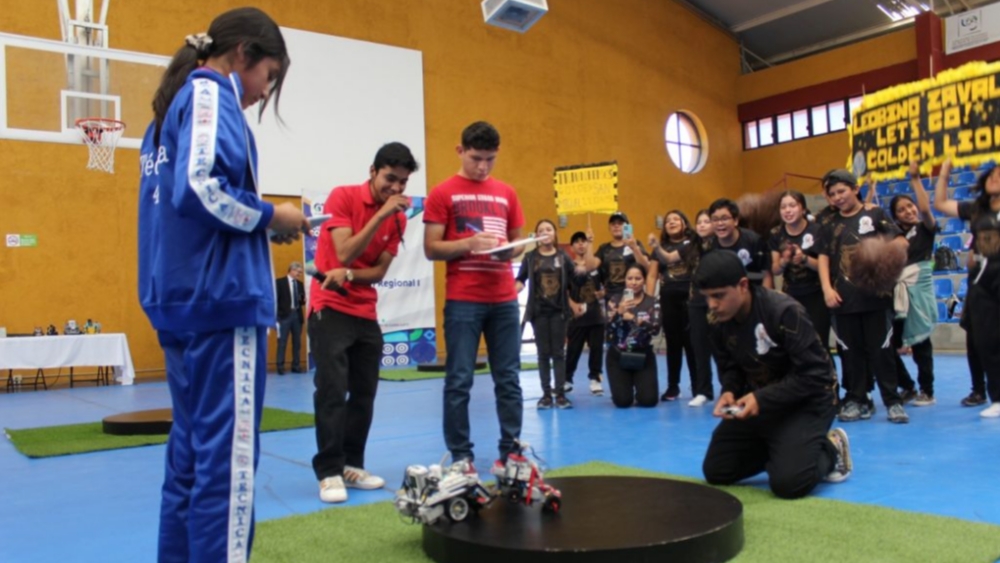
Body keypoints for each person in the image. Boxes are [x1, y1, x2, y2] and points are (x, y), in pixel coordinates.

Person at [137, 8, 307, 562]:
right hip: (221, 307)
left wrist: (260, 228)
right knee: (226, 470)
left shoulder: (167, 111)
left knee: (188, 463)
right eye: (268, 77)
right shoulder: (210, 94)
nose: (264, 92)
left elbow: (188, 207)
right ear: (243, 56)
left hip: (181, 303)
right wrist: (271, 216)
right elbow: (199, 188)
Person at [696, 251, 851, 500]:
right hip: (762, 401)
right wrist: (729, 391)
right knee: (717, 470)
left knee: (789, 484)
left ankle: (831, 447)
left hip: (809, 400)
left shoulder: (783, 311)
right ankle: (788, 449)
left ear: (743, 285)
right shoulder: (716, 320)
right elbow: (731, 367)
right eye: (707, 297)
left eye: (719, 296)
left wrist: (761, 399)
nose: (712, 304)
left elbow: (816, 375)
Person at [309, 142, 416, 503]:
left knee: (364, 394)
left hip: (365, 312)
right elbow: (344, 252)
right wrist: (381, 215)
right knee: (331, 390)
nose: (396, 189)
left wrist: (352, 276)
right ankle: (328, 471)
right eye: (390, 179)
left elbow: (379, 271)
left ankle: (352, 464)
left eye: (402, 182)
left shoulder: (400, 218)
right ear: (373, 171)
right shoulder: (343, 197)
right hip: (329, 306)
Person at [424, 121, 526, 467]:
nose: (483, 166)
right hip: (463, 299)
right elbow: (431, 249)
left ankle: (511, 452)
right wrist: (468, 244)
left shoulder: (507, 193)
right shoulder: (442, 193)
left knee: (509, 379)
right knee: (459, 380)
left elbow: (517, 245)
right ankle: (461, 456)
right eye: (476, 158)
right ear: (460, 151)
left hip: (504, 300)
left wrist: (507, 252)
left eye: (490, 159)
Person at [817, 169, 909, 424]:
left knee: (882, 352)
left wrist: (882, 256)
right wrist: (826, 288)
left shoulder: (875, 214)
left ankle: (892, 401)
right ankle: (857, 399)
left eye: (842, 191)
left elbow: (902, 243)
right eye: (832, 193)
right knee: (851, 354)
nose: (837, 197)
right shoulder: (828, 223)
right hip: (842, 300)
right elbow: (823, 256)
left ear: (855, 189)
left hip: (875, 299)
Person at [933, 158, 1000, 418]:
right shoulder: (977, 209)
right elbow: (940, 204)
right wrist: (944, 175)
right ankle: (997, 397)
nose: (995, 177)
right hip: (982, 276)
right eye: (991, 175)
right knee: (986, 339)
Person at [516, 220, 592, 409]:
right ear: (536, 235)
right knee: (543, 354)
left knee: (558, 353)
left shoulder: (563, 257)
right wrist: (508, 292)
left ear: (555, 233)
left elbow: (577, 279)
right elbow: (520, 280)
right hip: (538, 312)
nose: (545, 232)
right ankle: (545, 395)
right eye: (540, 230)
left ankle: (560, 395)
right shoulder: (530, 257)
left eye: (548, 229)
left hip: (559, 312)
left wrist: (583, 269)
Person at [888, 160, 939, 406]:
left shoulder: (926, 229)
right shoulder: (894, 236)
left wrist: (916, 180)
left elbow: (927, 210)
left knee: (920, 343)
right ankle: (907, 385)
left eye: (910, 206)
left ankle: (927, 390)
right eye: (901, 210)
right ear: (895, 216)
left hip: (918, 289)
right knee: (888, 343)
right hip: (896, 292)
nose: (909, 211)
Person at [646, 210, 699, 402]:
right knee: (673, 345)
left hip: (691, 300)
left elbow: (670, 259)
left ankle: (697, 385)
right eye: (668, 220)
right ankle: (673, 387)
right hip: (669, 300)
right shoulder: (660, 248)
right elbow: (651, 276)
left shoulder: (693, 243)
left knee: (692, 344)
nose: (671, 222)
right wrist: (649, 301)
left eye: (676, 219)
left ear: (685, 223)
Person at [768, 191, 829, 348]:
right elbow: (775, 269)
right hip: (791, 295)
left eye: (792, 205)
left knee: (818, 343)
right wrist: (784, 260)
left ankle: (827, 373)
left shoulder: (817, 230)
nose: (787, 210)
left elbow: (824, 266)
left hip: (816, 295)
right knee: (794, 343)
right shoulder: (776, 233)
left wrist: (804, 259)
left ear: (803, 209)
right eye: (783, 207)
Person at [605, 263, 662, 407]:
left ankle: (640, 386)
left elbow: (655, 329)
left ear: (644, 281)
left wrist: (634, 319)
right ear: (625, 280)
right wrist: (619, 312)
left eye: (638, 278)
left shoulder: (652, 302)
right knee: (623, 402)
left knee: (649, 401)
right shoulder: (615, 301)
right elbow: (608, 329)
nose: (634, 282)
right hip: (618, 354)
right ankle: (624, 386)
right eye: (630, 278)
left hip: (643, 355)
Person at [565, 230, 606, 396]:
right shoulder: (569, 267)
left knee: (596, 349)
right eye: (577, 241)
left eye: (584, 241)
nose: (581, 244)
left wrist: (603, 293)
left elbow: (608, 283)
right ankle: (567, 379)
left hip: (596, 316)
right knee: (573, 349)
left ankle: (595, 379)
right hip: (576, 317)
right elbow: (564, 292)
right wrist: (573, 305)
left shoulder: (596, 264)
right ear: (572, 247)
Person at [707, 198, 773, 289]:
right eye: (715, 219)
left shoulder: (754, 240)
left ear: (735, 221)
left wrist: (765, 300)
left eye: (724, 218)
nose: (720, 223)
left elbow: (766, 275)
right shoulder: (709, 246)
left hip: (755, 291)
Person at [687, 209, 717, 407]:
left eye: (707, 221)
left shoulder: (720, 245)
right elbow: (669, 258)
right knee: (699, 348)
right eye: (699, 222)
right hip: (696, 302)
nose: (703, 225)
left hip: (718, 302)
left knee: (722, 347)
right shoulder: (691, 247)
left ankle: (731, 388)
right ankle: (703, 390)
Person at [594, 211, 650, 300]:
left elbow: (647, 268)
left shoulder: (636, 244)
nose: (616, 226)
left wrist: (634, 247)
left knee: (628, 313)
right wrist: (589, 243)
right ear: (609, 228)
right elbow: (591, 267)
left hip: (632, 294)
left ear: (627, 227)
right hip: (610, 297)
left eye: (620, 223)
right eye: (613, 224)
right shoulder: (603, 248)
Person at [275, 261, 306, 374]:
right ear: (291, 270)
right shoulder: (279, 282)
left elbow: (302, 301)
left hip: (297, 315)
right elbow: (276, 300)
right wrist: (278, 316)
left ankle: (296, 366)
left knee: (297, 342)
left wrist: (303, 300)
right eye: (298, 272)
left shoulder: (300, 284)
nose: (299, 274)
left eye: (300, 273)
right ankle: (280, 366)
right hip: (284, 316)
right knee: (282, 341)